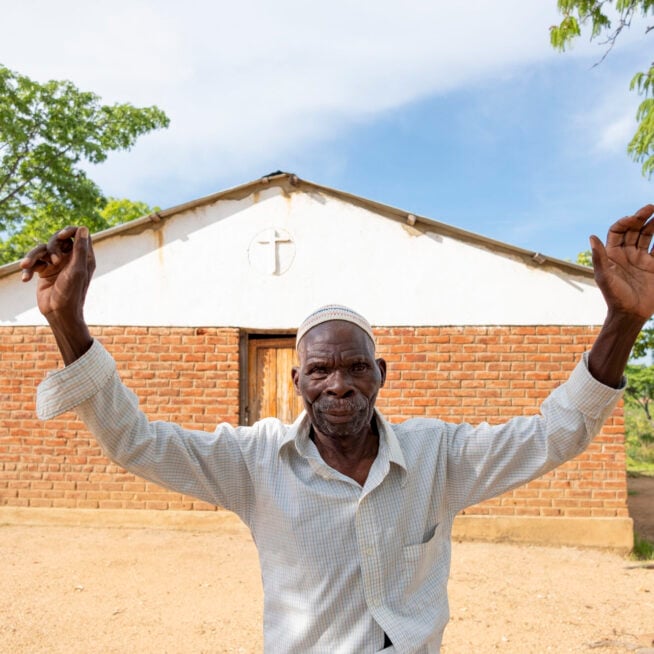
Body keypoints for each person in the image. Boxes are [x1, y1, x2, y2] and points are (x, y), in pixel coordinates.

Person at [21, 204, 654, 653]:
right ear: (296, 381)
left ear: (381, 373)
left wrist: (622, 322)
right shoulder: (255, 463)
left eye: (355, 367)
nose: (338, 383)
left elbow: (555, 433)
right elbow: (137, 441)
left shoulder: (438, 456)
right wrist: (67, 321)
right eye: (319, 369)